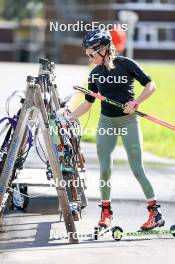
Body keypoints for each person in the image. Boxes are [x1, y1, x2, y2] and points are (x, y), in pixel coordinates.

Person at [69, 29, 165, 230]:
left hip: (129, 121)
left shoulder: (126, 64)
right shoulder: (94, 73)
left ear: (103, 50)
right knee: (104, 169)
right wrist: (68, 116)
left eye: (91, 53)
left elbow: (151, 85)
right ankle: (106, 212)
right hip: (107, 122)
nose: (89, 57)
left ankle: (155, 213)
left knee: (137, 169)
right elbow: (87, 104)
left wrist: (136, 102)